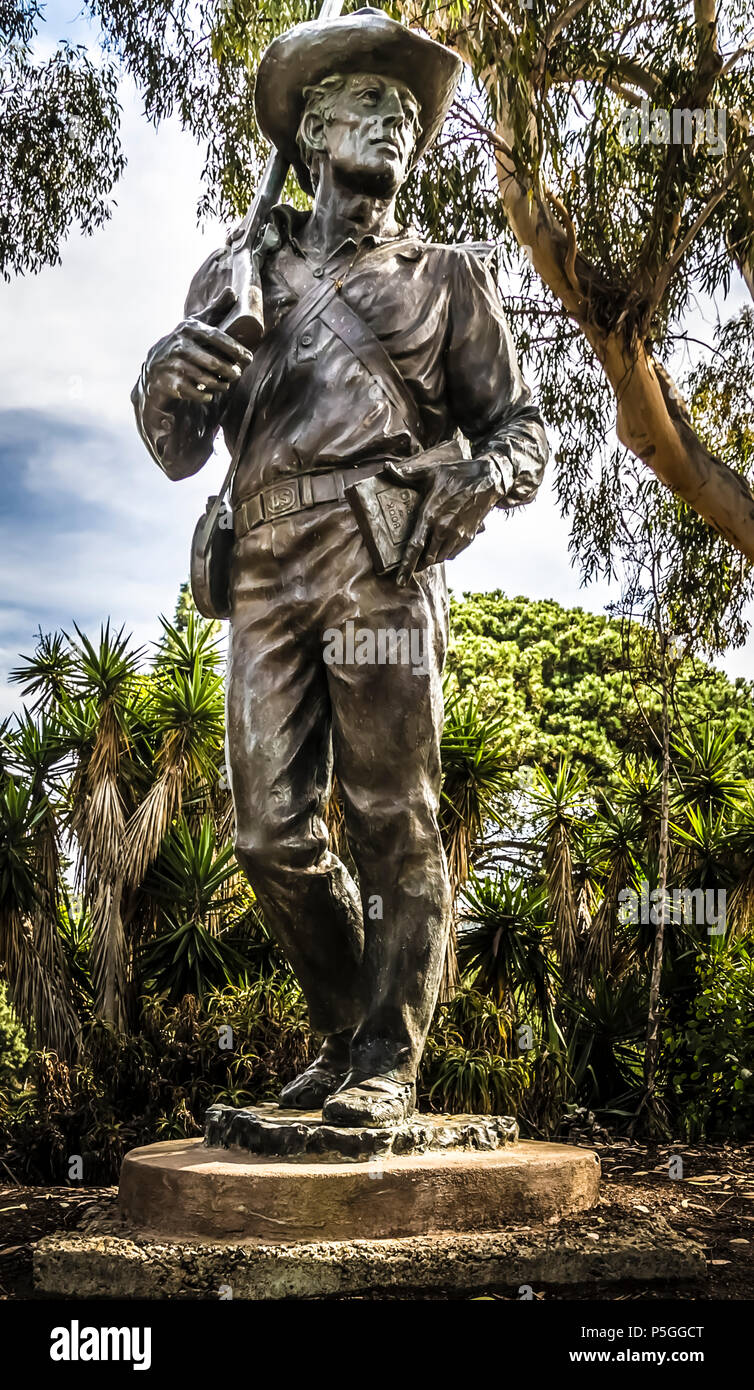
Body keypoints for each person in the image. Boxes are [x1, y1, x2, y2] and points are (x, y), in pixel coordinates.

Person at [132, 7, 548, 1127]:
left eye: (410, 117)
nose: (397, 127)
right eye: (369, 105)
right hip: (260, 556)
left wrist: (469, 485)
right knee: (270, 830)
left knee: (391, 813)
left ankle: (385, 1058)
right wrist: (166, 373)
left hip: (380, 549)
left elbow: (523, 431)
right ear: (311, 128)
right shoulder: (233, 271)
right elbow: (176, 452)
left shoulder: (444, 276)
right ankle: (341, 1029)